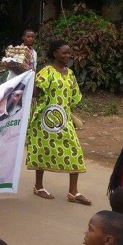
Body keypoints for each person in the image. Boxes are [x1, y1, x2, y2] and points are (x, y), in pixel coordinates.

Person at [26, 39, 90, 204]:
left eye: (69, 53)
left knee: (74, 151)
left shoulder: (70, 73)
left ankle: (73, 192)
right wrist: (30, 76)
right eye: (65, 53)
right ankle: (38, 186)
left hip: (64, 119)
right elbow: (35, 94)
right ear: (55, 53)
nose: (68, 55)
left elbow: (74, 97)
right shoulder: (46, 72)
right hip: (45, 120)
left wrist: (72, 116)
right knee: (42, 150)